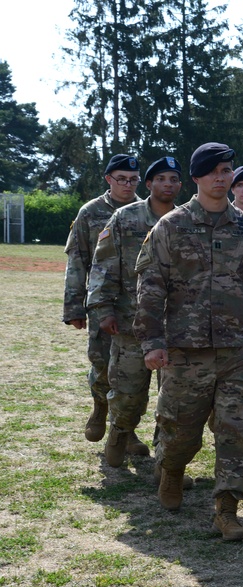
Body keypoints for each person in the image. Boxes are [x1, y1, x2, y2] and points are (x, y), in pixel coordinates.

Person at [134, 142, 243, 542]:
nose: (221, 177)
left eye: (226, 169)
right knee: (180, 431)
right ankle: (173, 470)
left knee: (240, 431)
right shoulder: (171, 226)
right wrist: (152, 341)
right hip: (186, 349)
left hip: (240, 350)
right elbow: (150, 286)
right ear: (196, 178)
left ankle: (227, 510)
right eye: (212, 171)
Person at [87, 156, 182, 470]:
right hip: (132, 323)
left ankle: (164, 463)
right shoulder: (124, 218)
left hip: (179, 327)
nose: (167, 185)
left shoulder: (188, 221)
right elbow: (103, 266)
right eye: (161, 179)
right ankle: (120, 431)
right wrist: (103, 309)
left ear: (180, 185)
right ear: (150, 184)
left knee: (174, 401)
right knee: (128, 394)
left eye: (173, 179)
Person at [63, 154, 141, 443]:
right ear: (108, 179)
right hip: (102, 305)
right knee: (102, 364)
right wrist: (74, 307)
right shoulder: (91, 212)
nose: (128, 184)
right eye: (122, 178)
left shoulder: (146, 211)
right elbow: (77, 261)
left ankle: (124, 432)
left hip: (136, 305)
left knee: (132, 374)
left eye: (133, 179)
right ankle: (100, 406)